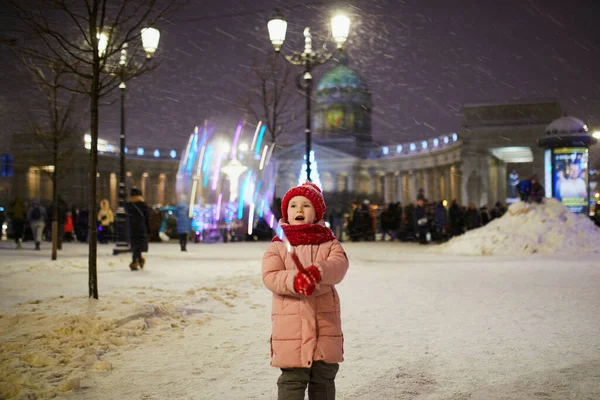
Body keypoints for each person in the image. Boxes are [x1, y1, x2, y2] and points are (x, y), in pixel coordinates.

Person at [262, 182, 349, 400]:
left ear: (317, 213)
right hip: (292, 332)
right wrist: (295, 281)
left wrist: (318, 272)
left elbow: (339, 266)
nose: (299, 210)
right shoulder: (278, 245)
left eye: (306, 205)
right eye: (293, 205)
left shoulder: (329, 242)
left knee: (324, 381)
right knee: (291, 382)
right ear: (286, 213)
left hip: (324, 329)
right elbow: (271, 276)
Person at [126, 188, 149, 271]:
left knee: (135, 245)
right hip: (141, 227)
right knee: (138, 245)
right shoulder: (143, 205)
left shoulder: (128, 205)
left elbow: (127, 216)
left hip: (132, 228)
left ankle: (135, 261)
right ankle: (138, 260)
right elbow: (147, 217)